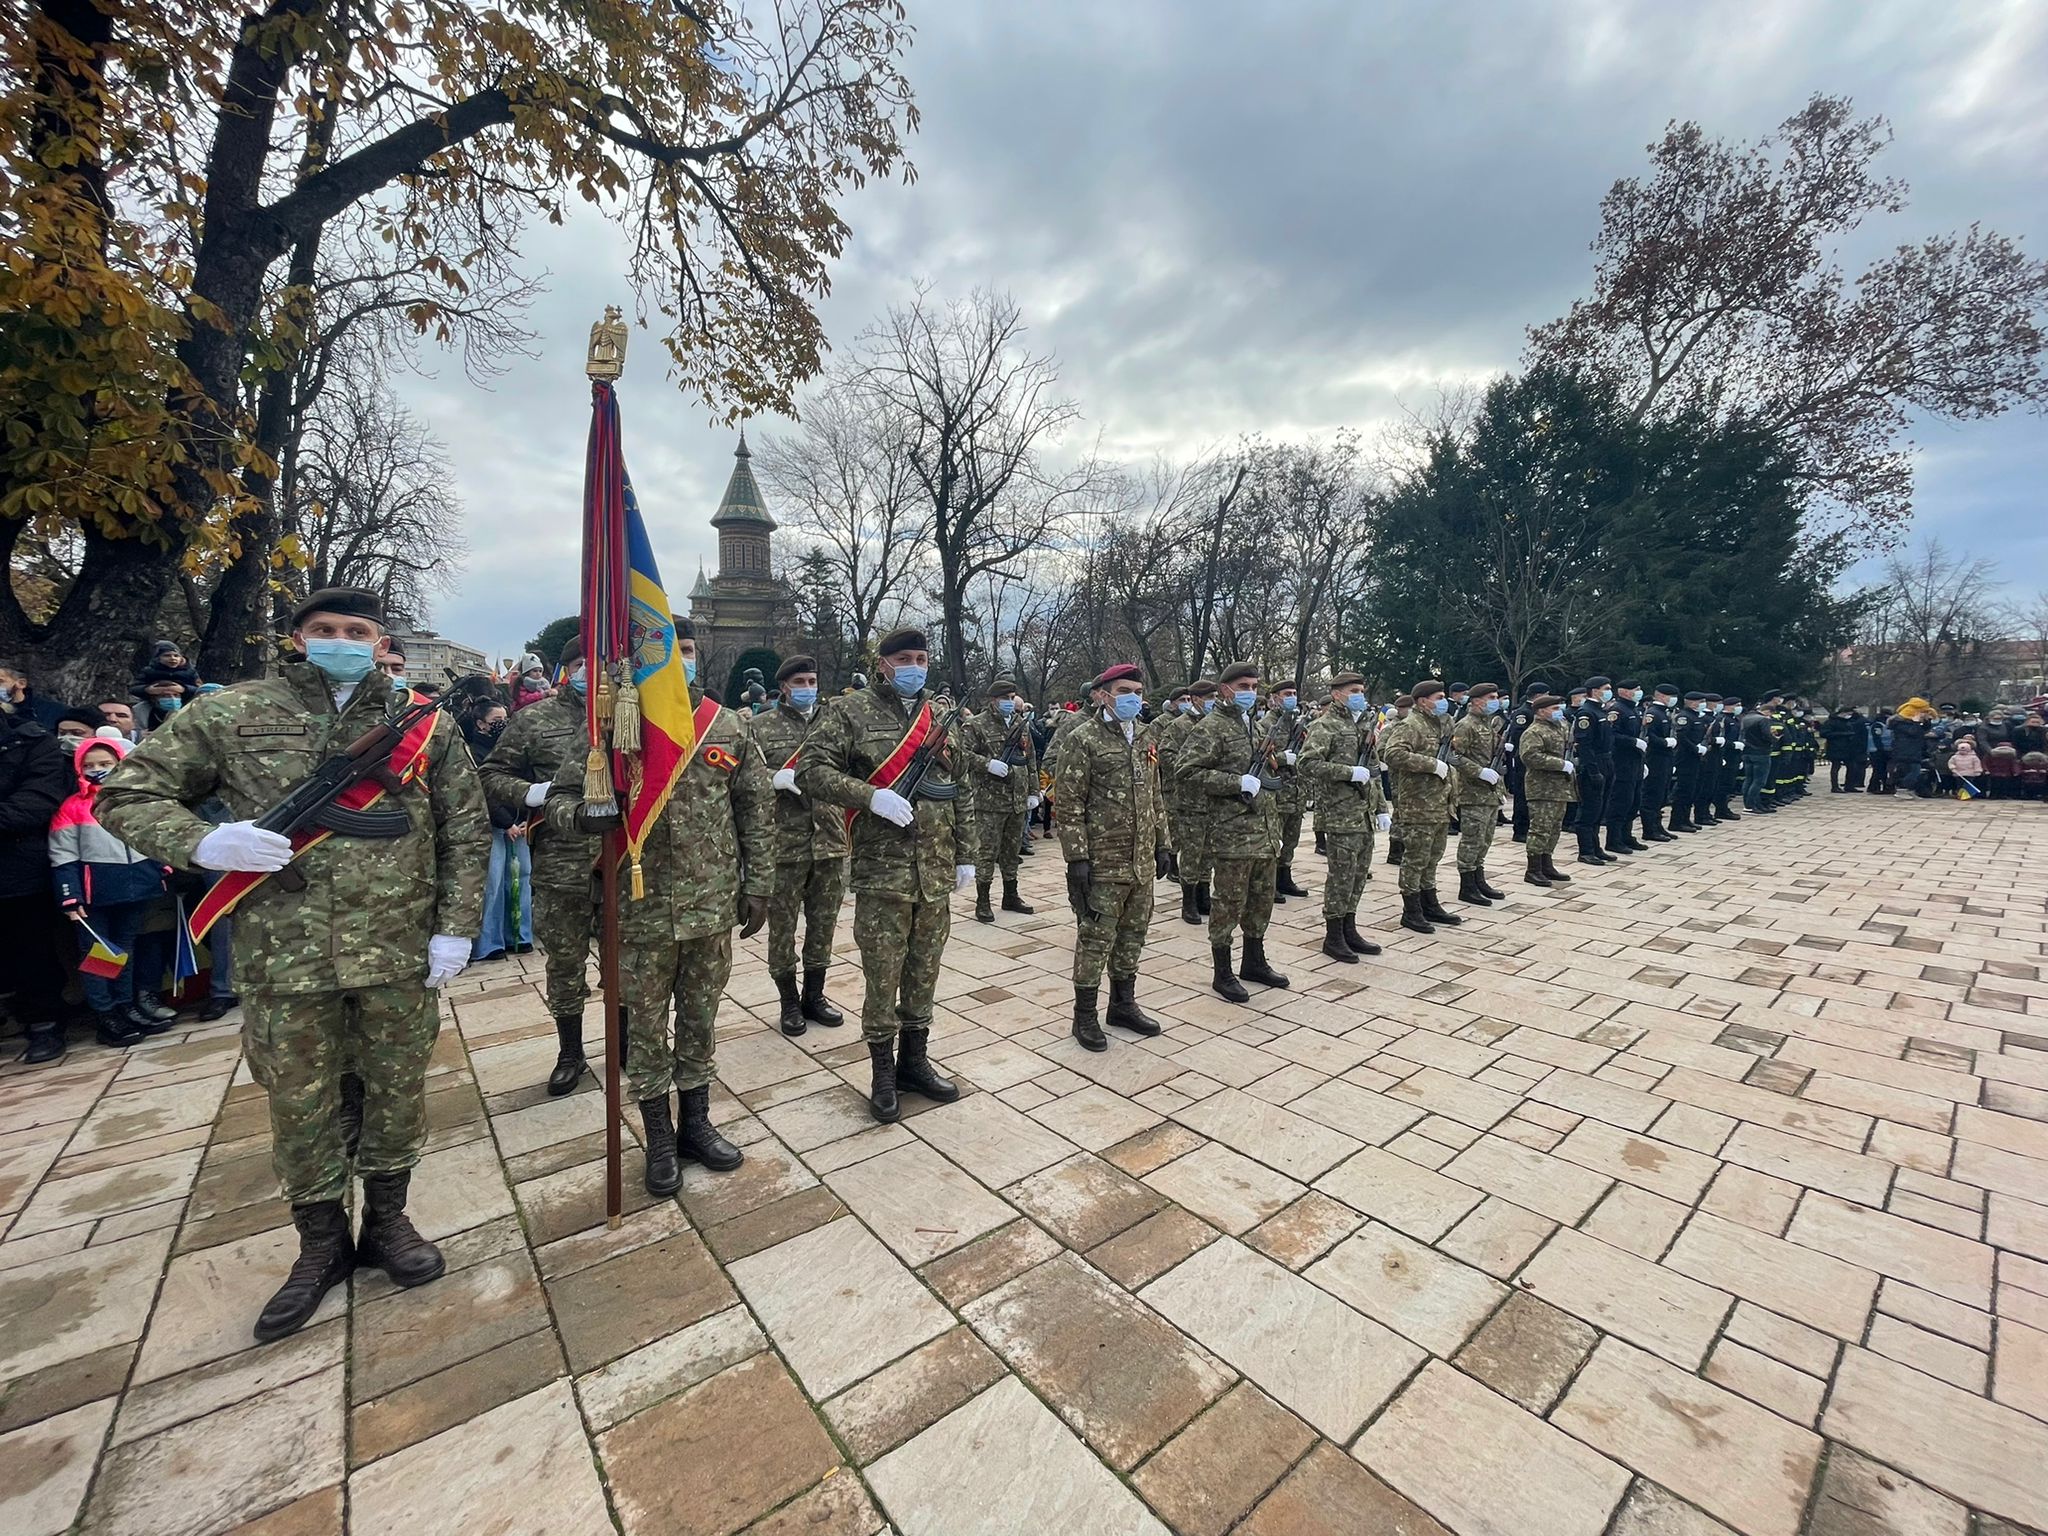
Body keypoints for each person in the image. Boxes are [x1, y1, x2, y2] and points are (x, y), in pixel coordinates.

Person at [97, 586, 487, 1343]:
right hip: (285, 954)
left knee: (396, 1091)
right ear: (298, 638)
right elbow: (127, 793)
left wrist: (457, 928)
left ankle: (387, 1222)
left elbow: (463, 832)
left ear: (380, 642)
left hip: (396, 948)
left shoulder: (422, 725)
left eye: (357, 630)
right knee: (300, 1104)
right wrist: (207, 843)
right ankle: (318, 1244)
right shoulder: (232, 712)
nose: (341, 639)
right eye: (324, 629)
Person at [545, 619, 772, 1186]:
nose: (677, 659)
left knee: (700, 1020)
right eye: (665, 648)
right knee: (644, 1031)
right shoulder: (613, 726)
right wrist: (582, 814)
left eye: (688, 650)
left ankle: (696, 1123)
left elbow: (756, 809)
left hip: (711, 905)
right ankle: (660, 1138)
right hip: (637, 907)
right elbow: (560, 799)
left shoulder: (725, 724)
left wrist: (760, 882)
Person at [797, 627, 975, 1122]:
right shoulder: (848, 712)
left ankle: (915, 1062)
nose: (915, 665)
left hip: (935, 871)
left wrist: (967, 854)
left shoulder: (939, 716)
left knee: (924, 973)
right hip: (883, 875)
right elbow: (811, 772)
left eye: (921, 657)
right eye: (904, 658)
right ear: (883, 663)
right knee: (882, 977)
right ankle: (881, 1072)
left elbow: (960, 787)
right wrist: (869, 795)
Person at [479, 640, 599, 1095]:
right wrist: (531, 793)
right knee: (566, 962)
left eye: (599, 663)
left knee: (631, 963)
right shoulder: (534, 720)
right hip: (562, 862)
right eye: (579, 664)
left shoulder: (637, 717)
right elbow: (491, 774)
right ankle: (571, 1052)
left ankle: (627, 1040)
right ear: (565, 670)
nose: (590, 671)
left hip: (628, 862)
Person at [1056, 664, 1169, 1050]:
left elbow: (1155, 795)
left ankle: (1123, 1003)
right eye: (1125, 690)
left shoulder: (1146, 736)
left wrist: (1163, 842)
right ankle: (1084, 1016)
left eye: (1137, 691)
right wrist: (1077, 858)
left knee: (1134, 934)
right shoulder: (1082, 738)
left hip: (1141, 861)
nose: (1133, 697)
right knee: (1095, 938)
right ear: (1102, 694)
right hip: (1104, 860)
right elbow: (1069, 802)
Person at [49, 736, 176, 1047]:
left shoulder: (133, 799)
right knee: (98, 954)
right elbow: (62, 854)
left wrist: (161, 867)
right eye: (89, 765)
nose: (97, 770)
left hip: (135, 886)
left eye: (105, 764)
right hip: (96, 893)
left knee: (125, 950)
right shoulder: (73, 807)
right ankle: (105, 1014)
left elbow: (148, 837)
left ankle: (125, 1005)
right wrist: (70, 894)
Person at [1175, 661, 1289, 1002]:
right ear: (1225, 690)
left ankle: (1253, 961)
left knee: (1260, 901)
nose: (1250, 692)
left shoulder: (1251, 725)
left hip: (1264, 832)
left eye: (1254, 686)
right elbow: (1186, 770)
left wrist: (1279, 762)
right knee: (1227, 904)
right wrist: (1234, 782)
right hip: (1231, 834)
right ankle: (1221, 972)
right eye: (1243, 686)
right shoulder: (1211, 727)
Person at [749, 656, 849, 1037]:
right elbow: (744, 779)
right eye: (800, 681)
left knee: (823, 926)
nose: (809, 686)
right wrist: (772, 778)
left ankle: (815, 996)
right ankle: (788, 1002)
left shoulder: (833, 723)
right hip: (784, 845)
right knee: (783, 930)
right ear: (785, 687)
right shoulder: (759, 727)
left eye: (813, 679)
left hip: (829, 841)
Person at [2, 690, 74, 1063]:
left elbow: (36, 801)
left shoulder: (31, 741)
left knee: (30, 950)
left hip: (16, 869)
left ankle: (44, 1023)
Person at [1297, 672, 1388, 962]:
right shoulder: (1325, 726)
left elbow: (1373, 771)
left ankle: (1350, 928)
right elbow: (1307, 763)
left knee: (1359, 874)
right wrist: (1346, 772)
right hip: (1340, 814)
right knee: (1341, 876)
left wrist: (1383, 808)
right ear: (1337, 694)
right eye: (1354, 690)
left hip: (1363, 813)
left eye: (1361, 690)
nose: (1360, 694)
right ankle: (1333, 935)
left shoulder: (1362, 725)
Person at [1379, 679, 1462, 933]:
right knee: (1415, 858)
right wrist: (1430, 764)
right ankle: (1411, 910)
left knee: (1433, 856)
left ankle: (1430, 902)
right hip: (1417, 803)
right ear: (1423, 700)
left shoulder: (1440, 724)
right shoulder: (1410, 725)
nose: (1443, 701)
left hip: (1438, 802)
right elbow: (1391, 754)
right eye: (1438, 697)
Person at [960, 678, 1037, 924]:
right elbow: (961, 755)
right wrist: (987, 765)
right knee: (986, 852)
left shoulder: (1019, 723)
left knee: (1011, 851)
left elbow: (1031, 759)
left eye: (1012, 696)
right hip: (989, 801)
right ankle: (983, 900)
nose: (1009, 701)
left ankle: (1010, 895)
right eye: (1005, 698)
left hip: (1017, 799)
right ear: (993, 700)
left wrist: (1034, 791)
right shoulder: (976, 725)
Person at [467, 700, 535, 966]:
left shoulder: (512, 748)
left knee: (521, 878)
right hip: (493, 826)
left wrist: (528, 818)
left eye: (505, 718)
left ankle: (518, 935)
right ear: (481, 724)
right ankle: (489, 943)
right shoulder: (474, 751)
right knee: (493, 884)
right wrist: (506, 823)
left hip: (520, 823)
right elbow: (483, 791)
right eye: (496, 719)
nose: (502, 724)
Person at [1449, 683, 1509, 906]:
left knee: (1485, 838)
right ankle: (1467, 886)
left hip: (1490, 792)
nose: (1496, 700)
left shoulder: (1488, 725)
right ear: (1475, 701)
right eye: (1491, 697)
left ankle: (1478, 878)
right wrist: (1480, 771)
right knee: (1472, 839)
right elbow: (1454, 757)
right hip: (1472, 791)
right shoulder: (1466, 726)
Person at [1173, 680, 1218, 924]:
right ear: (1197, 699)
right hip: (1190, 801)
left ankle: (1203, 895)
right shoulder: (1179, 726)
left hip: (1212, 799)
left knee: (1208, 853)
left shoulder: (1214, 724)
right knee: (1191, 853)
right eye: (1210, 696)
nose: (1214, 701)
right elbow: (1169, 759)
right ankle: (1187, 901)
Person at [1518, 695, 1575, 887]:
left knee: (1554, 828)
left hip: (1560, 787)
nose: (1559, 711)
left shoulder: (1560, 727)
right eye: (1554, 708)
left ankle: (1546, 863)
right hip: (1541, 787)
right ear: (1541, 711)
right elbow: (1530, 756)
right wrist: (1560, 764)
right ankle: (1533, 869)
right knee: (1540, 829)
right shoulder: (1534, 731)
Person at [1264, 679, 1310, 900]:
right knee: (1275, 840)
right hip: (1277, 792)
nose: (1291, 697)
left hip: (1296, 792)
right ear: (1274, 698)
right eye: (1286, 693)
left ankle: (1285, 878)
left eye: (1293, 693)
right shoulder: (1266, 725)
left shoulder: (1296, 723)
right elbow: (1260, 756)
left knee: (1291, 840)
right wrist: (1283, 758)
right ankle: (1270, 882)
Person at [1570, 676, 1615, 865]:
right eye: (1606, 688)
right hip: (1593, 763)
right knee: (1589, 809)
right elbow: (1585, 745)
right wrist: (1592, 770)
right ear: (1595, 690)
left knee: (1600, 808)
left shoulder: (1600, 710)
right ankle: (1585, 850)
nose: (1609, 691)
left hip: (1606, 760)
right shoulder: (1586, 713)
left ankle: (1596, 847)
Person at [1604, 680, 1647, 855]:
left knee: (1633, 801)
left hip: (1634, 762)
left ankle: (1626, 835)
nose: (1639, 692)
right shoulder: (1617, 710)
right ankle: (1614, 839)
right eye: (1635, 690)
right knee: (1620, 801)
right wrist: (1633, 742)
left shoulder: (1633, 709)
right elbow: (1612, 735)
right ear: (1624, 692)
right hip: (1621, 762)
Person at [1505, 681, 1546, 843]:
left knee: (1532, 794)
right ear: (1538, 696)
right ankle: (1520, 829)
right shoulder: (1524, 712)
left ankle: (1528, 826)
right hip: (1524, 758)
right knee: (1523, 794)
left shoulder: (1536, 711)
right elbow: (1518, 735)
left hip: (1536, 759)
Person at [1638, 684, 1679, 843]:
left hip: (1665, 759)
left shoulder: (1664, 713)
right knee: (1652, 793)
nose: (1674, 700)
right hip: (1655, 758)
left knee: (1662, 794)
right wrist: (1665, 742)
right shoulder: (1653, 713)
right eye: (1671, 696)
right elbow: (1649, 737)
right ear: (1662, 696)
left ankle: (1657, 825)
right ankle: (1649, 829)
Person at [1739, 698, 1779, 812]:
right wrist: (1775, 739)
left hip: (1747, 752)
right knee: (1759, 780)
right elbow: (1767, 736)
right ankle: (1752, 805)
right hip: (1761, 752)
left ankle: (1748, 804)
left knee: (1749, 779)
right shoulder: (1763, 720)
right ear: (1768, 712)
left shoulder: (1746, 718)